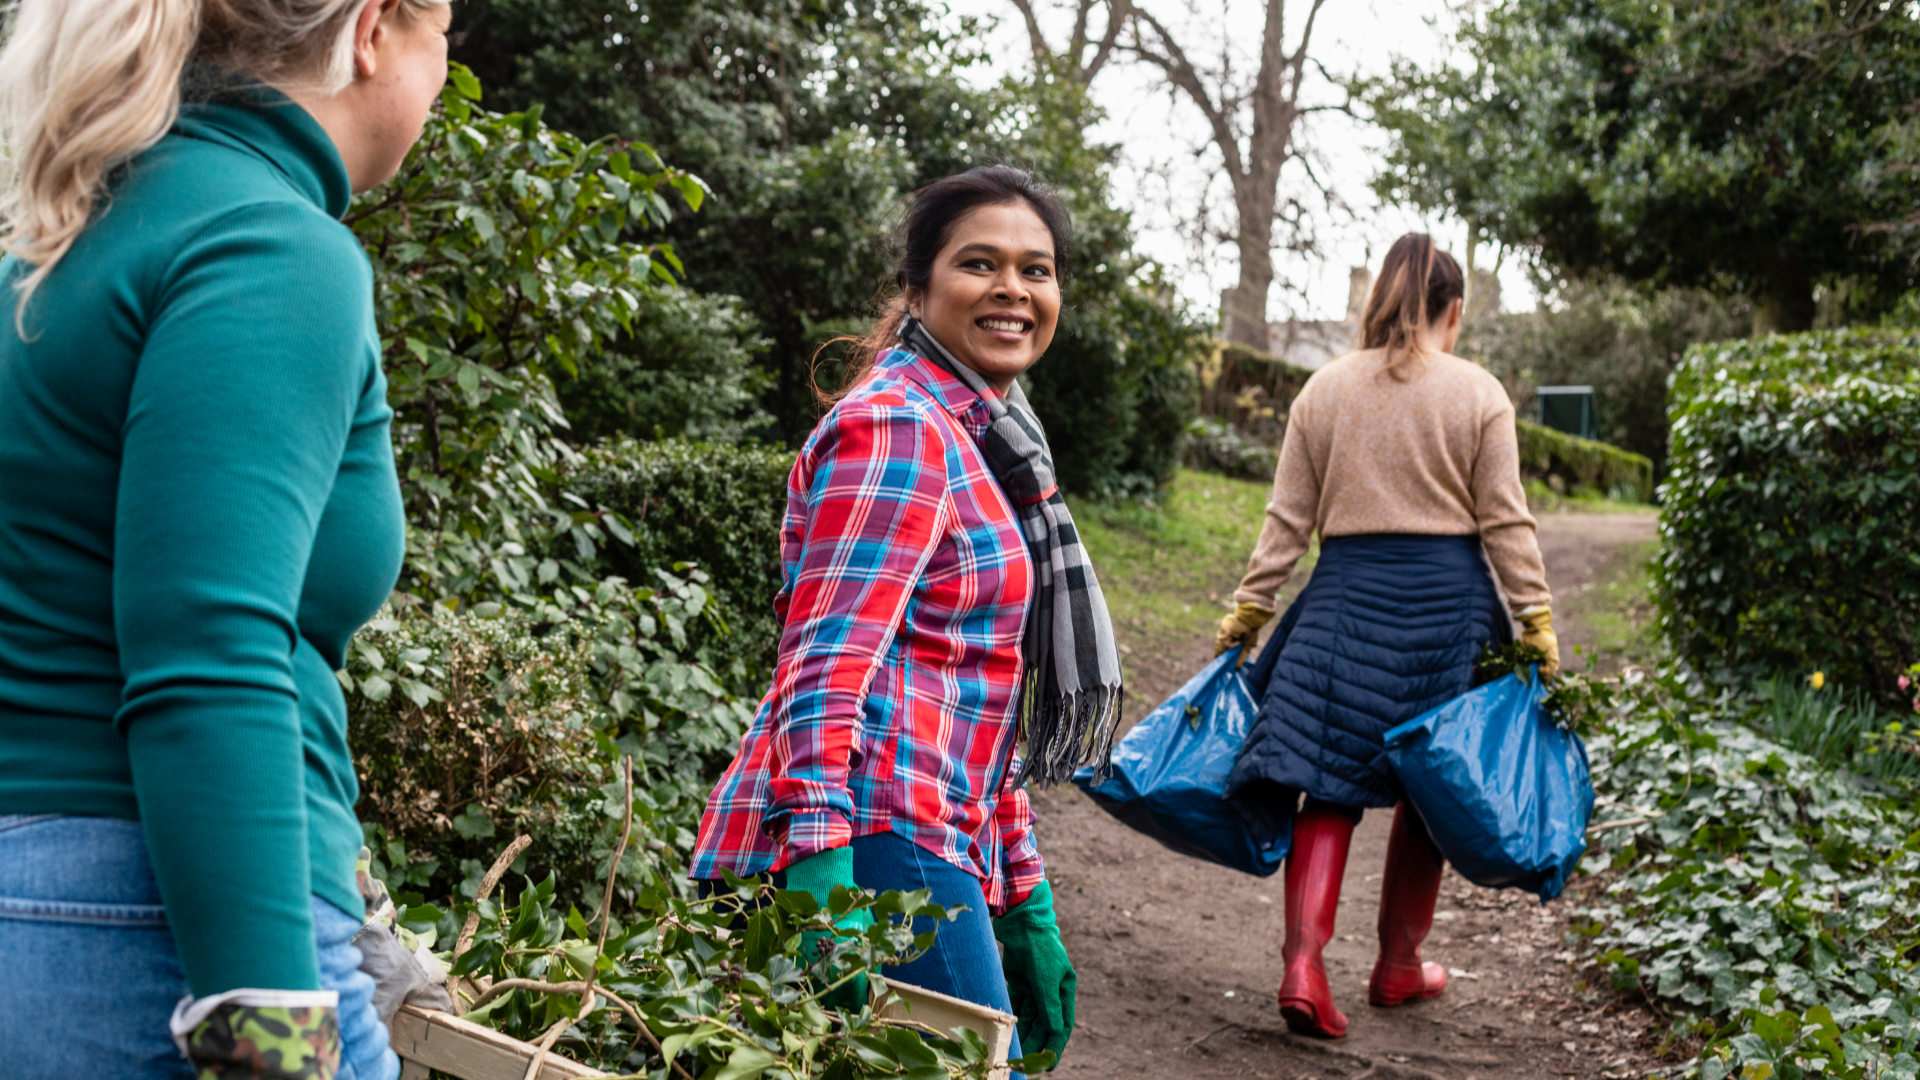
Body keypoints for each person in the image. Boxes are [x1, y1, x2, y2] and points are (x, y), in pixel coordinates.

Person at [0, 0, 449, 1076]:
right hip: (156, 929)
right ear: (374, 31)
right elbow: (207, 643)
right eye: (446, 34)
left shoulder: (59, 240)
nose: (441, 73)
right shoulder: (269, 244)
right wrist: (271, 1013)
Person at [690, 166, 1123, 1073]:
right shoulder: (901, 427)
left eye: (1037, 270)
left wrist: (1026, 896)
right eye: (981, 263)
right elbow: (823, 665)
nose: (1013, 289)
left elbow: (972, 694)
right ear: (919, 288)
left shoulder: (996, 444)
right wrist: (819, 876)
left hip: (931, 835)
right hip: (871, 842)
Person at [1212, 234, 1558, 1039]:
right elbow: (1506, 520)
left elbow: (1287, 522)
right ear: (1454, 310)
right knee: (1431, 792)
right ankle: (1399, 965)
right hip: (1450, 608)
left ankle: (1304, 963)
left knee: (1326, 779)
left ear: (1375, 302)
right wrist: (1535, 622)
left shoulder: (1324, 390)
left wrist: (1250, 613)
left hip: (1343, 601)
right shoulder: (1479, 392)